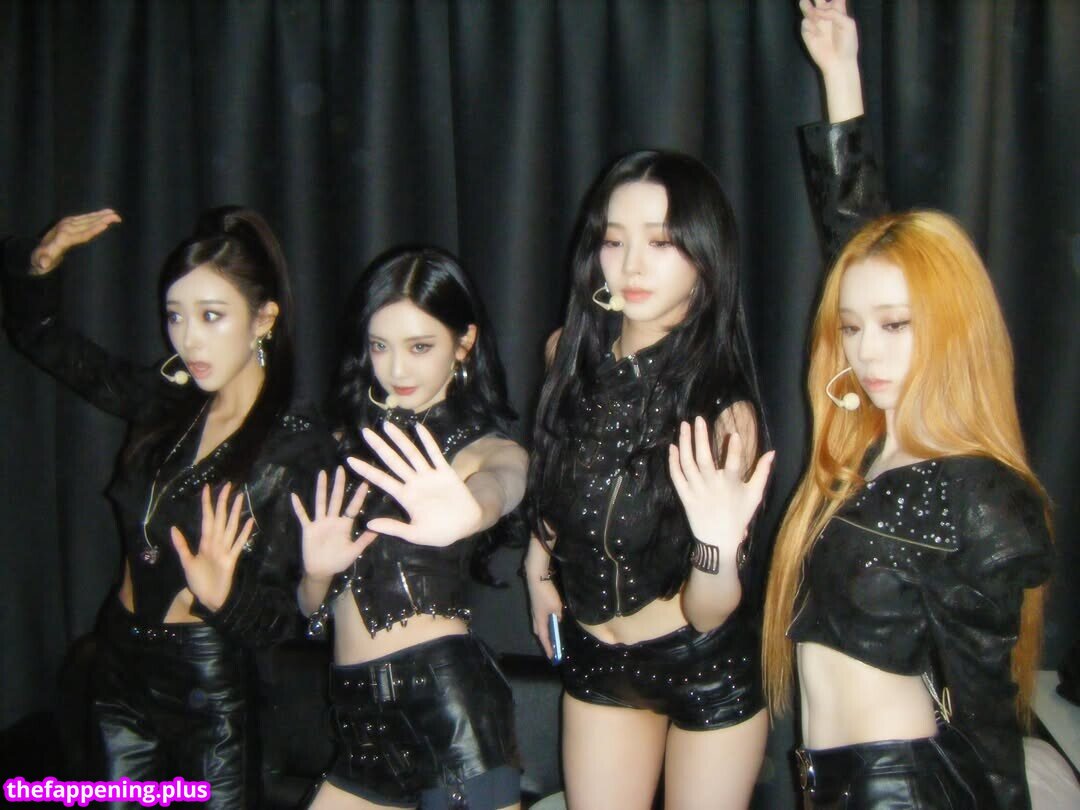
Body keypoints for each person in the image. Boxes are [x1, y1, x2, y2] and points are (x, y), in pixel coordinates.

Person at [760, 3, 1054, 808]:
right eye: (852, 328)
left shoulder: (980, 493)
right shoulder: (867, 446)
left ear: (953, 328)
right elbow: (860, 246)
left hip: (900, 790)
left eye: (897, 327)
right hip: (825, 782)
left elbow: (989, 724)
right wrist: (840, 75)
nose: (867, 352)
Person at [2, 207, 337, 807]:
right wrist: (41, 265)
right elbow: (43, 340)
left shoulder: (294, 448)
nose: (188, 339)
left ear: (263, 319)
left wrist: (225, 597)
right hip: (118, 664)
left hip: (208, 686)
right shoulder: (170, 400)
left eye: (212, 316)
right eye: (175, 316)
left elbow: (289, 622)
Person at [525, 151, 775, 809]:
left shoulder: (725, 414)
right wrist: (538, 568)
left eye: (661, 243)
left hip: (703, 666)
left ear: (705, 256)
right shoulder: (564, 356)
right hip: (597, 661)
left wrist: (716, 543)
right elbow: (553, 475)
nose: (631, 265)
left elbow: (708, 610)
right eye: (614, 240)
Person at [293, 247, 525, 809]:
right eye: (380, 346)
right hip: (358, 718)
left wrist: (476, 510)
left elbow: (507, 477)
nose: (396, 370)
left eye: (420, 347)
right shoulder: (348, 447)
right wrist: (317, 574)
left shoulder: (478, 447)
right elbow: (310, 609)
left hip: (446, 712)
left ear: (463, 343)